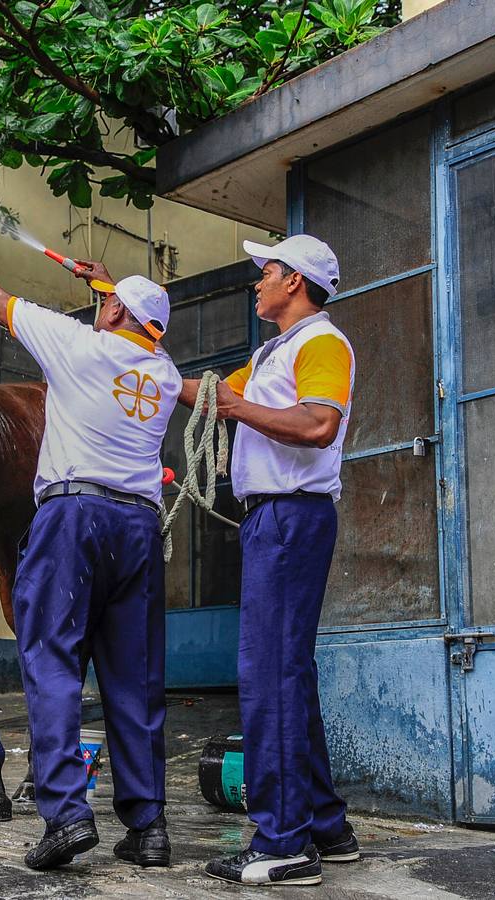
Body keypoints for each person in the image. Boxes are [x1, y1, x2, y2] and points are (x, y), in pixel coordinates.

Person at [0, 247, 180, 871]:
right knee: (135, 678)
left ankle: (66, 815)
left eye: (107, 304)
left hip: (74, 517)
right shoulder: (164, 374)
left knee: (53, 662)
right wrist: (106, 285)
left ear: (115, 312)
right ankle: (149, 828)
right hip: (139, 526)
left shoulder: (76, 346)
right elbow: (132, 318)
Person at [179, 235, 358, 887]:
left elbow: (318, 425)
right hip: (271, 518)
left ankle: (282, 842)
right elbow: (203, 395)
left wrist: (235, 406)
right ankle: (326, 828)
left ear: (295, 281)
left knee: (269, 677)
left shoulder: (322, 343)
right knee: (290, 676)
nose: (257, 281)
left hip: (291, 515)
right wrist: (126, 351)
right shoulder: (268, 354)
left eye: (267, 271)